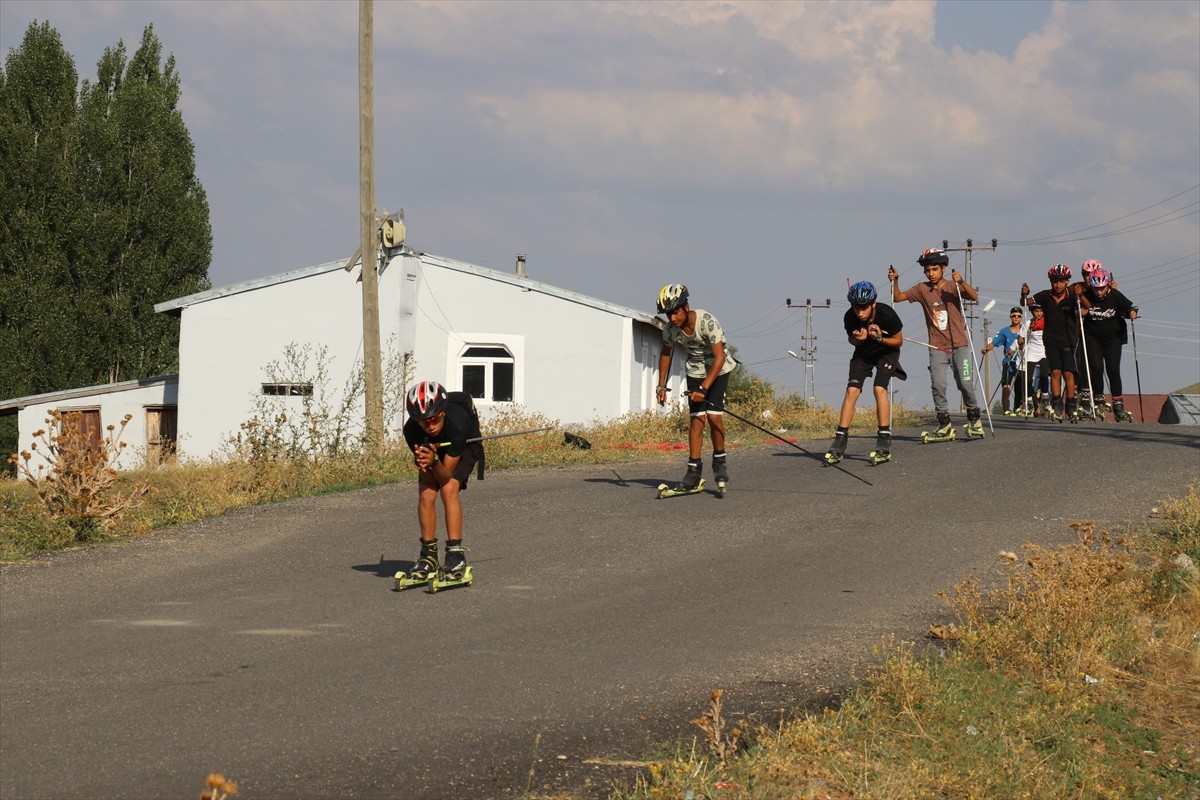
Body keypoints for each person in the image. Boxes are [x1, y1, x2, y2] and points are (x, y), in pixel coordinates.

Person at [888, 248, 984, 439]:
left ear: (943, 268)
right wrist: (895, 281)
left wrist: (961, 281)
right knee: (938, 385)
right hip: (937, 346)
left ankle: (974, 419)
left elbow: (974, 297)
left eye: (934, 269)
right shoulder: (922, 289)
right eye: (927, 270)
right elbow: (897, 298)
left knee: (965, 383)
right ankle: (945, 424)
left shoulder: (952, 286)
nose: (930, 274)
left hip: (959, 345)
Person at [655, 283, 738, 491]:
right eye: (668, 315)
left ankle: (719, 462)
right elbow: (666, 354)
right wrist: (661, 386)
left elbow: (719, 357)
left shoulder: (707, 321)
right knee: (697, 421)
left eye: (675, 312)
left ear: (686, 307)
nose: (672, 318)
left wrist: (704, 388)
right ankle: (693, 471)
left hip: (717, 370)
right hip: (695, 370)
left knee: (714, 416)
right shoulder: (671, 330)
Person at [401, 380, 483, 582]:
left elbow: (445, 475)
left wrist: (434, 461)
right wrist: (425, 465)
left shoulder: (459, 423)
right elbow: (431, 479)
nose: (429, 426)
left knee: (449, 489)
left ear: (443, 413)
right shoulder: (411, 431)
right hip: (434, 453)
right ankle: (428, 555)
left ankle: (456, 554)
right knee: (426, 491)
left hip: (464, 447)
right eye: (423, 421)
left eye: (434, 419)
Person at [825, 281, 905, 464]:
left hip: (887, 352)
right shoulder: (850, 317)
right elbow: (852, 341)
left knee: (879, 388)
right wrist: (858, 340)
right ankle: (840, 440)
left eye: (864, 307)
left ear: (873, 304)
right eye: (856, 307)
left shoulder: (887, 314)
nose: (860, 313)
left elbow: (899, 341)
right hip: (863, 354)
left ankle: (884, 439)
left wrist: (879, 337)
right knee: (852, 390)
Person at [1020, 264, 1089, 421]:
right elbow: (1026, 302)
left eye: (1062, 281)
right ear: (1051, 281)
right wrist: (1024, 294)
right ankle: (1057, 404)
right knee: (1056, 372)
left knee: (1068, 373)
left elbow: (1087, 307)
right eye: (1055, 281)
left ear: (1067, 282)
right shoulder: (1045, 295)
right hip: (1051, 339)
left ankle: (1071, 405)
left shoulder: (1072, 296)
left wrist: (1080, 296)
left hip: (1069, 339)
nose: (1058, 285)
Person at [1082, 265, 1138, 421]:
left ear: (1107, 285)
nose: (1099, 292)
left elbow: (1131, 306)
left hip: (1113, 337)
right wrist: (1080, 311)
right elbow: (1074, 307)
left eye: (1102, 288)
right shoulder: (1087, 296)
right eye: (1096, 288)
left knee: (1113, 369)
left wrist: (1132, 313)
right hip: (1093, 336)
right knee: (1096, 367)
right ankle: (1098, 399)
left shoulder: (1115, 295)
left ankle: (1118, 404)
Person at [982, 307, 1026, 415]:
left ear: (1022, 318)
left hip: (1021, 363)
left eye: (1019, 316)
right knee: (1006, 387)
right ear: (1010, 317)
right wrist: (986, 349)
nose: (1016, 318)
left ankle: (1019, 409)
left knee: (1021, 388)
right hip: (1008, 363)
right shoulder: (1004, 331)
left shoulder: (1024, 330)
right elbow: (993, 343)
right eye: (1014, 315)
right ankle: (1006, 411)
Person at [1018, 301, 1048, 416]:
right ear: (1032, 312)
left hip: (1043, 352)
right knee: (1028, 378)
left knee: (1044, 375)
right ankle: (1029, 400)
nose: (1039, 313)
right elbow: (1020, 338)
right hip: (1030, 352)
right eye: (1036, 311)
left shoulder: (1047, 322)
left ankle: (1045, 397)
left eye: (1041, 311)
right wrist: (1021, 344)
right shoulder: (1028, 323)